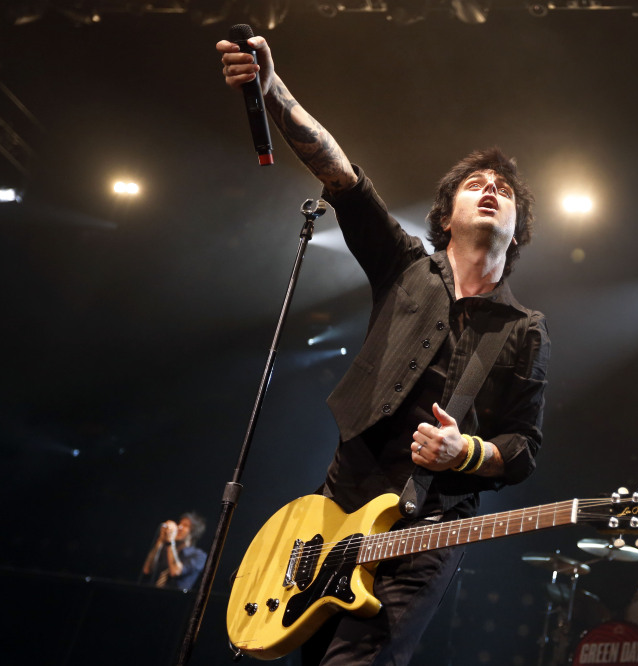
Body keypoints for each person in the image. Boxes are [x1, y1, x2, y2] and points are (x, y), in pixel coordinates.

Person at [217, 33, 550, 666]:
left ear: (518, 228)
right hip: (336, 510)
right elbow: (341, 174)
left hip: (426, 531)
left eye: (503, 189)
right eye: (474, 183)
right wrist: (271, 88)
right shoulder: (405, 268)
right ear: (445, 217)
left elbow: (524, 449)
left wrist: (466, 451)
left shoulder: (525, 329)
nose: (490, 188)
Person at [141, 512, 207, 591]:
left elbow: (175, 572)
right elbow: (147, 569)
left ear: (194, 532)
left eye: (185, 525)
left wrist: (170, 542)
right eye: (180, 524)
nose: (179, 527)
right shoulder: (167, 549)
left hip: (175, 599)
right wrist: (160, 541)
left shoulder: (199, 556)